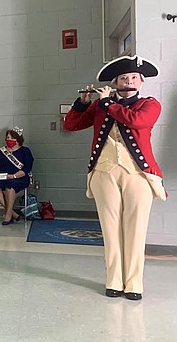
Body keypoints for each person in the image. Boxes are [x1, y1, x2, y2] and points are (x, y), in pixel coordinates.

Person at [63, 55, 167, 301]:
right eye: (123, 78)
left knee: (136, 228)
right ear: (116, 81)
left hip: (138, 173)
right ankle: (113, 281)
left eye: (133, 78)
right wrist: (82, 102)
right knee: (109, 229)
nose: (128, 81)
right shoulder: (101, 104)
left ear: (141, 82)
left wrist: (107, 103)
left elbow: (136, 121)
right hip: (104, 171)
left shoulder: (150, 104)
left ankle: (133, 284)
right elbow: (71, 125)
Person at [0, 127, 34, 225]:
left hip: (19, 178)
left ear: (17, 139)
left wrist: (13, 176)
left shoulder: (25, 151)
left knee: (10, 185)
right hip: (2, 177)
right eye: (7, 138)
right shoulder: (1, 152)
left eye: (10, 138)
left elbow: (26, 169)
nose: (7, 140)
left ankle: (8, 215)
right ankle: (13, 213)